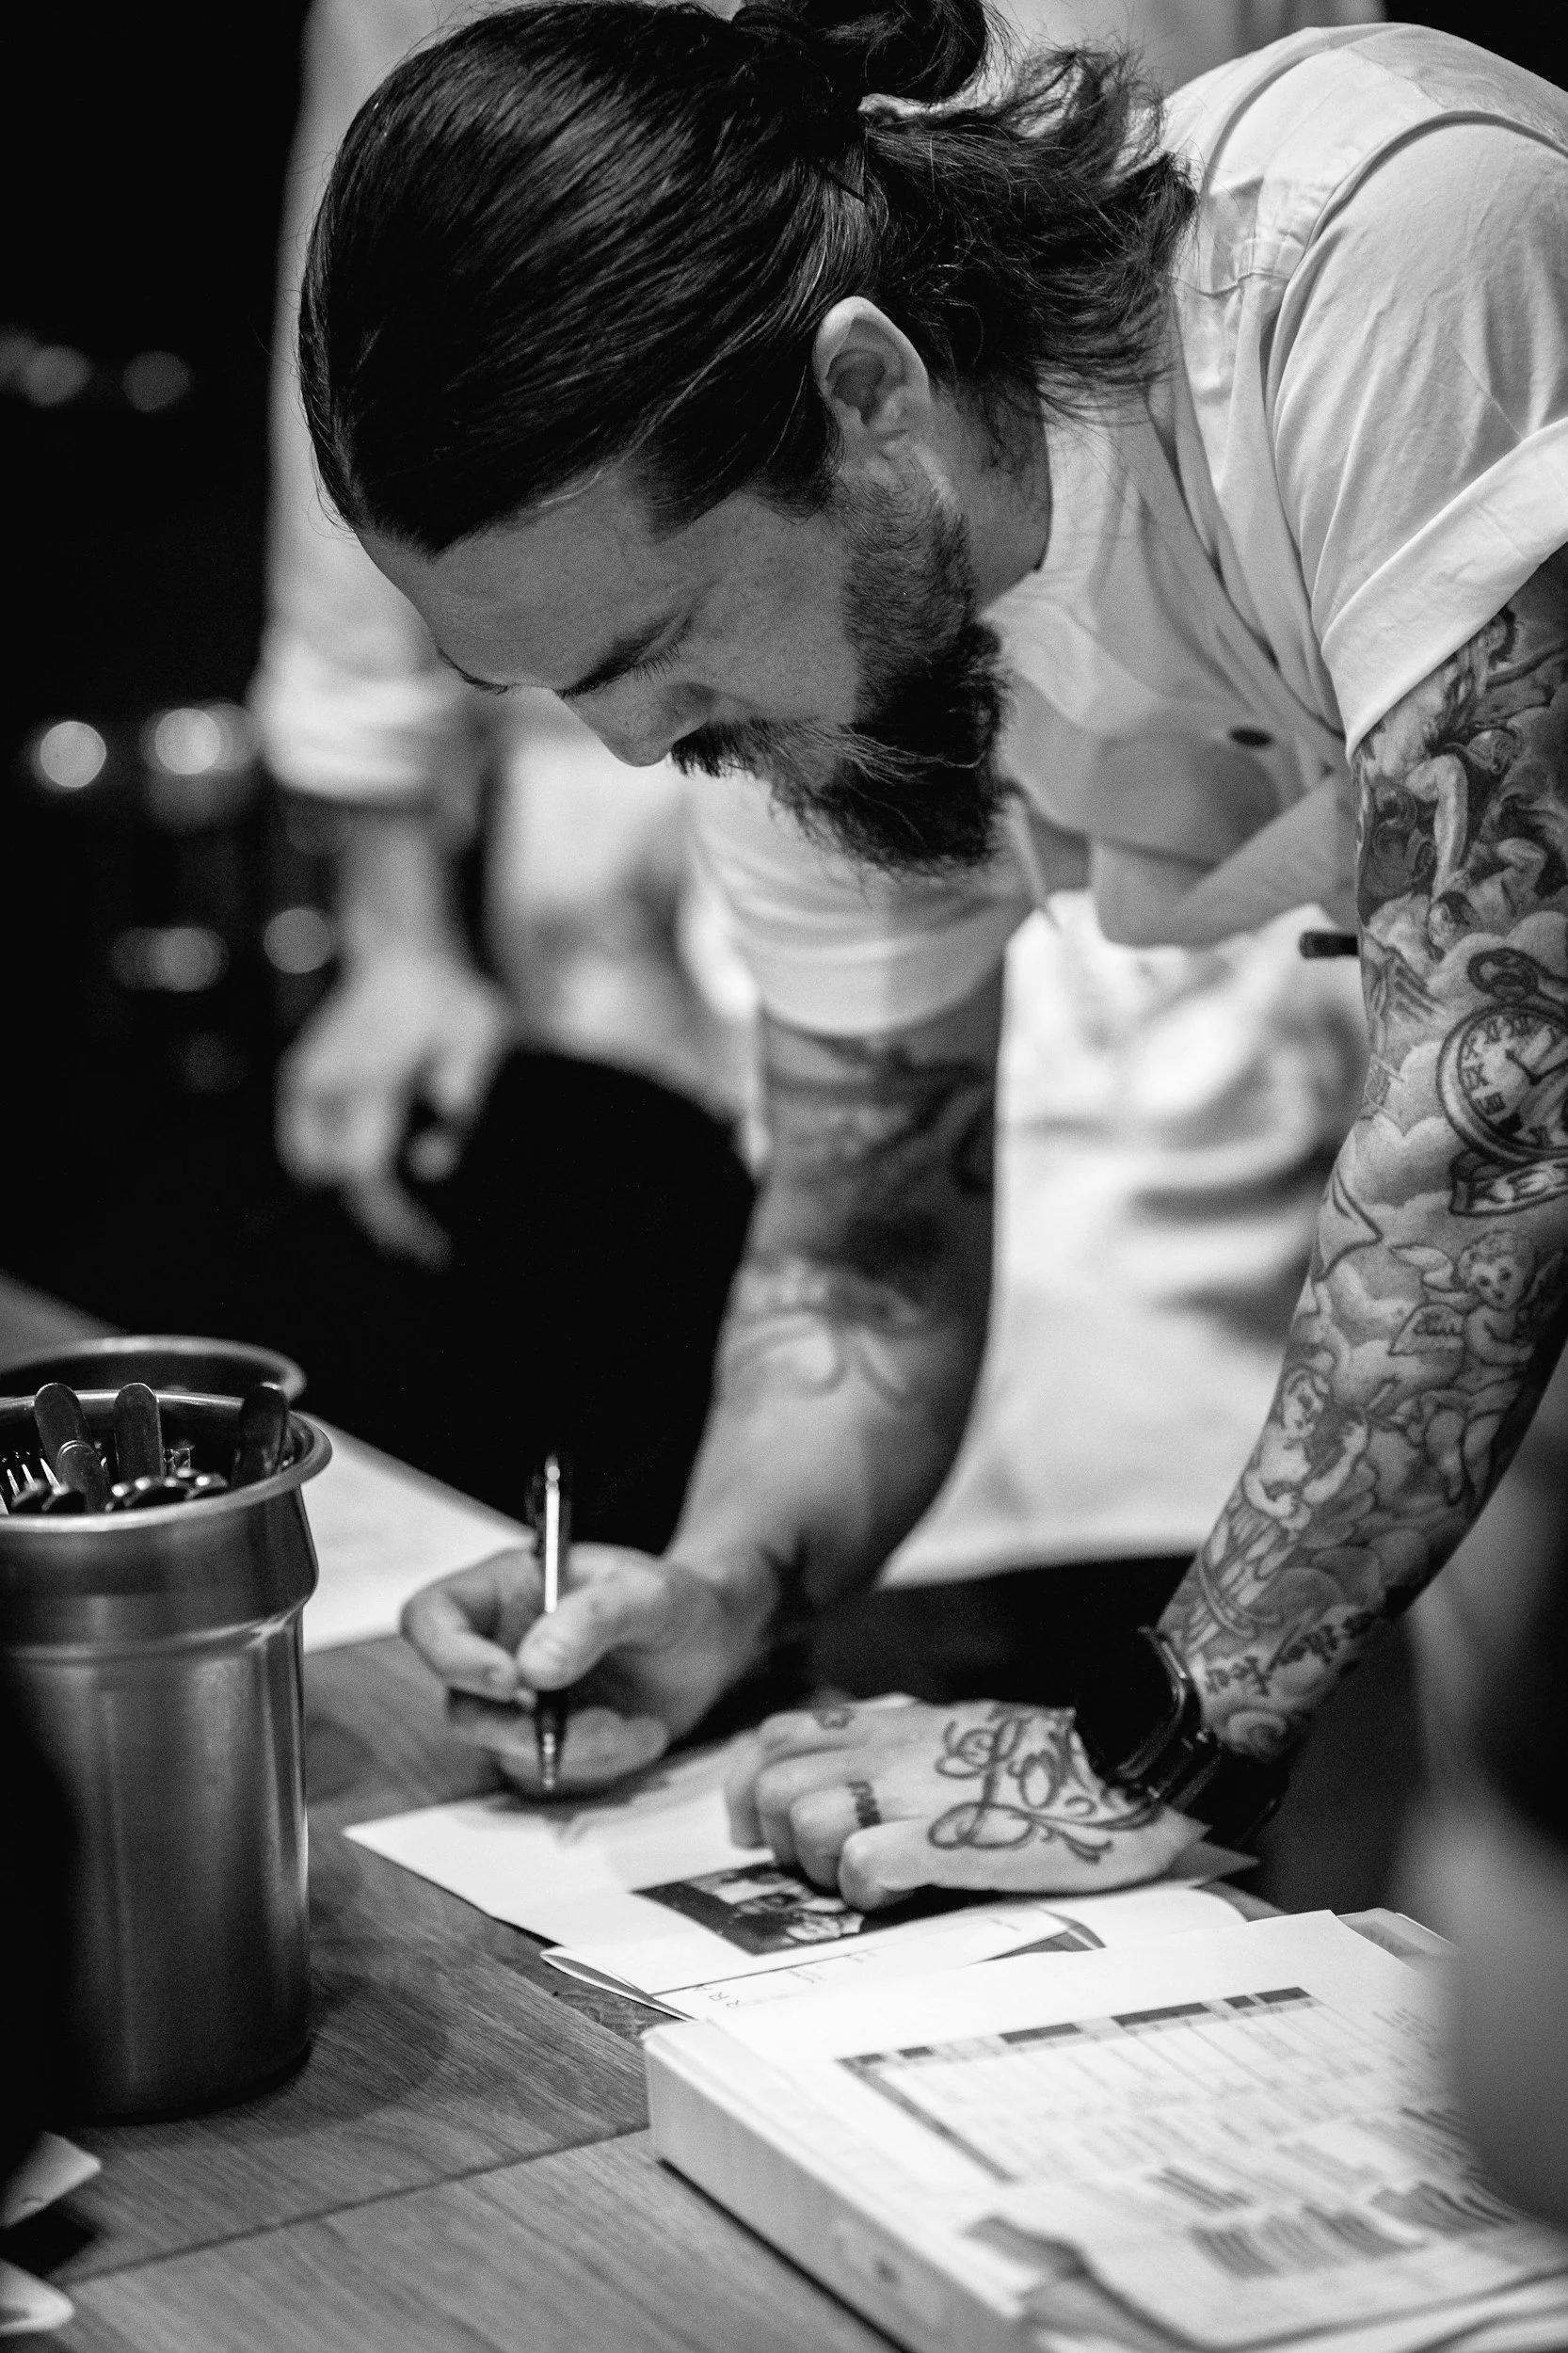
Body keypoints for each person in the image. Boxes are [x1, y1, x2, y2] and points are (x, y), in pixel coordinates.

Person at [296, 0, 1568, 1903]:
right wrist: (721, 1587)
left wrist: (1150, 1746)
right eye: (559, 692)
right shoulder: (805, 628)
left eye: (649, 651)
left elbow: (1499, 1096)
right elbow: (866, 1232)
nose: (637, 749)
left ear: (868, 391)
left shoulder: (1379, 254)